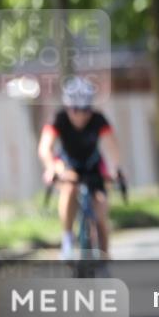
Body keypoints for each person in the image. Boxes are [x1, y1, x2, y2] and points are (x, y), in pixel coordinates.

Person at [37, 77, 124, 260]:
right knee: (69, 188)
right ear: (68, 107)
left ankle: (105, 254)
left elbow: (112, 147)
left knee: (100, 207)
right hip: (68, 164)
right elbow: (45, 148)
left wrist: (116, 169)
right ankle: (67, 237)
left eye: (86, 110)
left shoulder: (99, 119)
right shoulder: (58, 119)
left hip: (93, 165)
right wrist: (51, 167)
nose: (81, 115)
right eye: (75, 110)